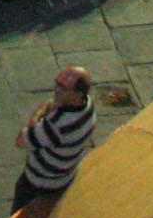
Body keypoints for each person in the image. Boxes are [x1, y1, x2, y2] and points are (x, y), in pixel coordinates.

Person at [12, 65, 95, 208]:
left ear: (77, 93)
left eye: (62, 88)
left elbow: (21, 141)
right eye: (57, 83)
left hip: (40, 182)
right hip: (65, 176)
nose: (56, 89)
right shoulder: (88, 105)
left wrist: (39, 113)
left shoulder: (56, 125)